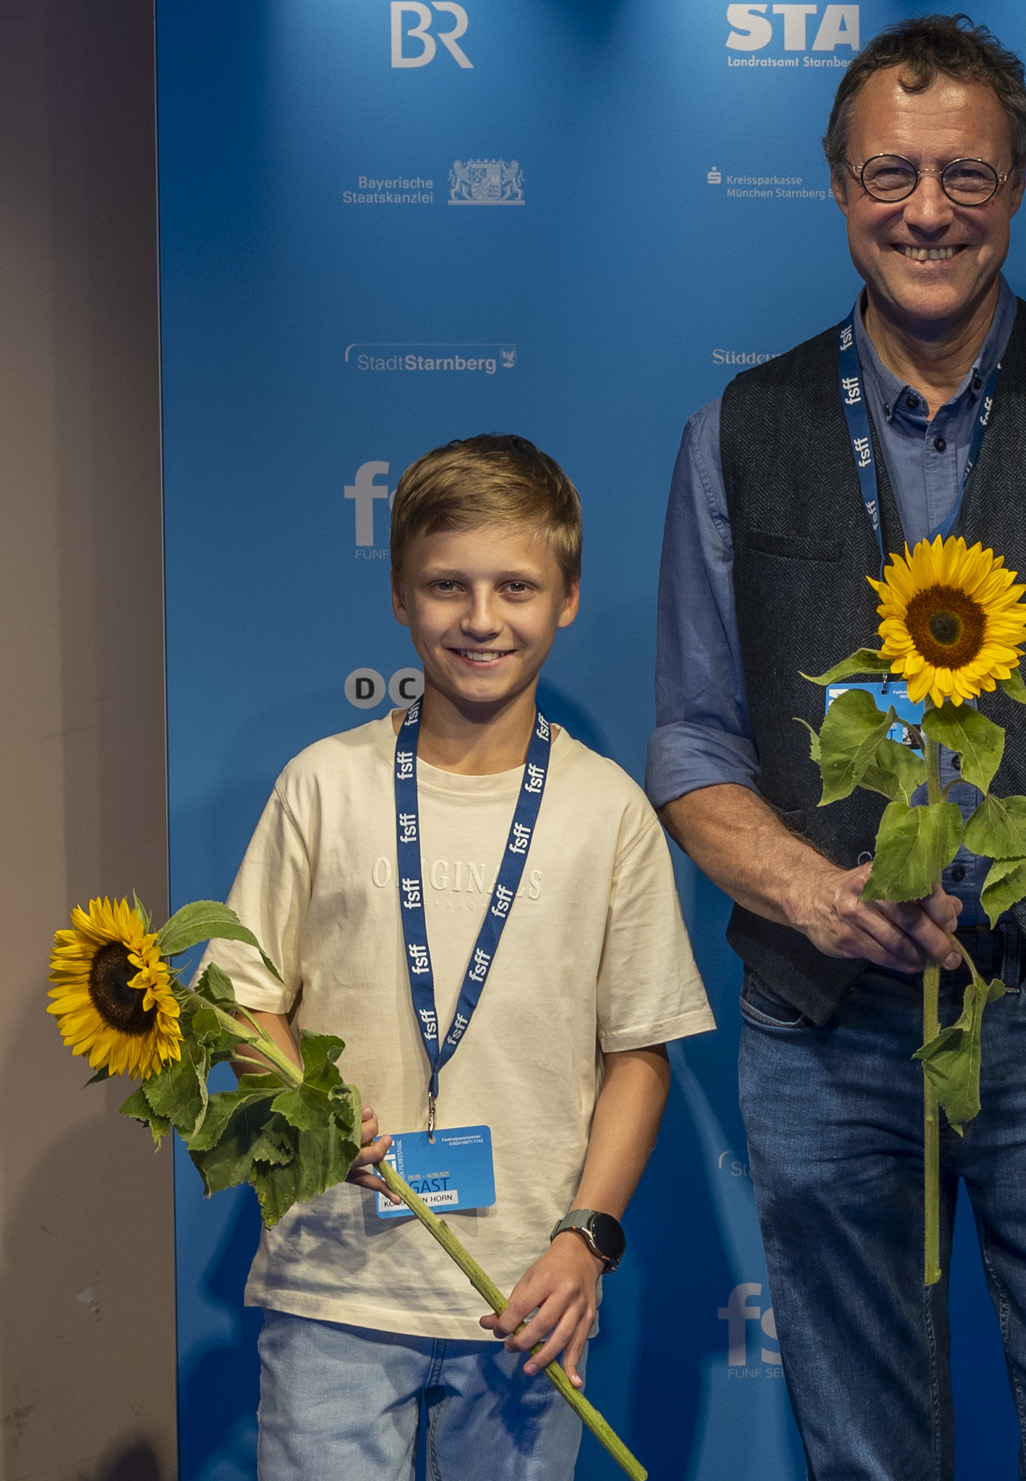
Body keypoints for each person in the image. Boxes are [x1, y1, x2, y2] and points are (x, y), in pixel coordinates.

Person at [647, 15, 1026, 1479]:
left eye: (965, 176)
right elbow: (692, 745)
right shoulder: (735, 432)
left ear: (1017, 187)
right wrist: (810, 893)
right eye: (890, 174)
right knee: (863, 1459)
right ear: (838, 186)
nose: (927, 210)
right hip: (827, 1035)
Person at [207, 434, 717, 1480]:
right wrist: (310, 1099)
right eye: (448, 585)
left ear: (566, 597)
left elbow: (638, 1053)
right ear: (401, 595)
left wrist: (584, 1237)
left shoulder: (609, 810)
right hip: (334, 1286)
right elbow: (239, 1000)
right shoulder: (323, 784)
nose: (482, 618)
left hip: (529, 1296)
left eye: (515, 586)